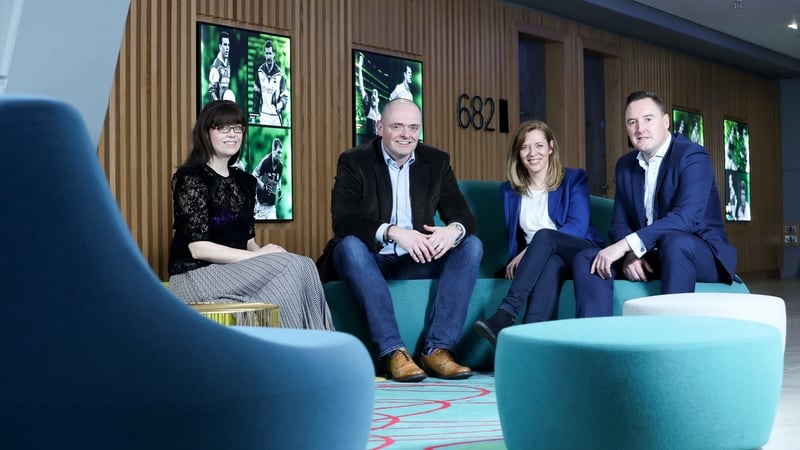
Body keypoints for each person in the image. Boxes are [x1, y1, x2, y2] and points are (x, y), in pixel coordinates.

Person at [317, 98, 483, 382]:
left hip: (416, 260)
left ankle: (438, 350)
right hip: (370, 259)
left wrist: (451, 230)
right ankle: (394, 351)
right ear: (380, 128)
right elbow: (343, 220)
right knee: (350, 246)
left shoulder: (436, 161)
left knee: (471, 245)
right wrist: (394, 232)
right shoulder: (354, 161)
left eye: (413, 127)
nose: (406, 134)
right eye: (397, 126)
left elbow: (463, 215)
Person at [168, 100, 333, 330]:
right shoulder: (191, 177)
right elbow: (198, 248)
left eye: (238, 128)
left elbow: (249, 243)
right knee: (292, 266)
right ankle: (300, 344)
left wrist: (268, 255)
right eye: (223, 128)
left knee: (303, 264)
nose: (232, 134)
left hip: (236, 272)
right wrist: (261, 257)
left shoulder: (245, 182)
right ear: (206, 133)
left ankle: (307, 343)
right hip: (195, 276)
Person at [572, 91, 738, 316]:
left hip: (700, 254)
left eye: (648, 119)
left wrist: (625, 246)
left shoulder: (693, 156)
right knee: (588, 259)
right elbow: (619, 223)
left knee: (675, 241)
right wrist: (630, 254)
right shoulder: (625, 165)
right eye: (632, 122)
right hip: (652, 254)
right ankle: (596, 333)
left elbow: (685, 219)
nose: (640, 129)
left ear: (666, 121)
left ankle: (669, 334)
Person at [472, 120, 604, 346]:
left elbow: (577, 227)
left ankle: (506, 313)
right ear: (518, 153)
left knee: (543, 236)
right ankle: (531, 343)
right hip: (546, 257)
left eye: (539, 145)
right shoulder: (509, 190)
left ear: (551, 147)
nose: (532, 153)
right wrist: (528, 253)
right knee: (550, 263)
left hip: (579, 249)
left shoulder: (573, 178)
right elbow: (516, 237)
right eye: (525, 147)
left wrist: (529, 251)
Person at [252, 40, 288, 126]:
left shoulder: (279, 74)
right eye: (267, 53)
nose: (268, 56)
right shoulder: (260, 72)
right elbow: (256, 96)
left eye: (270, 53)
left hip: (276, 117)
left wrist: (281, 104)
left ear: (274, 54)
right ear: (264, 54)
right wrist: (253, 119)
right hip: (264, 116)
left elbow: (285, 96)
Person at [253, 137, 284, 220]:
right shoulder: (266, 161)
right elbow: (253, 175)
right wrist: (263, 186)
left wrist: (279, 189)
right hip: (260, 205)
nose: (280, 156)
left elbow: (279, 178)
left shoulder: (280, 166)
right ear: (273, 150)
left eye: (281, 153)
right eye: (278, 152)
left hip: (271, 206)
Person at [357, 52, 381, 137]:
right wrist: (360, 67)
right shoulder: (368, 109)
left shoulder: (381, 116)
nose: (373, 95)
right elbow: (361, 87)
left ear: (378, 99)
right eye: (372, 94)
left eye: (375, 94)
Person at [208, 31, 232, 102]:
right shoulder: (216, 67)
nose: (227, 48)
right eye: (225, 45)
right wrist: (218, 104)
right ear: (220, 46)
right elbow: (211, 92)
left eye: (228, 45)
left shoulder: (228, 64)